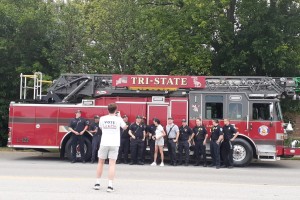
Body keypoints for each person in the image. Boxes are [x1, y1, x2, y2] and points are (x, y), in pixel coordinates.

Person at [93, 103, 127, 192]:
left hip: (104, 142)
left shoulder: (102, 118)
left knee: (100, 163)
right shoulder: (118, 119)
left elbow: (101, 127)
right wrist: (119, 117)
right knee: (112, 164)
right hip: (114, 143)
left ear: (108, 110)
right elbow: (125, 127)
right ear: (116, 110)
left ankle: (97, 183)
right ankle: (110, 185)